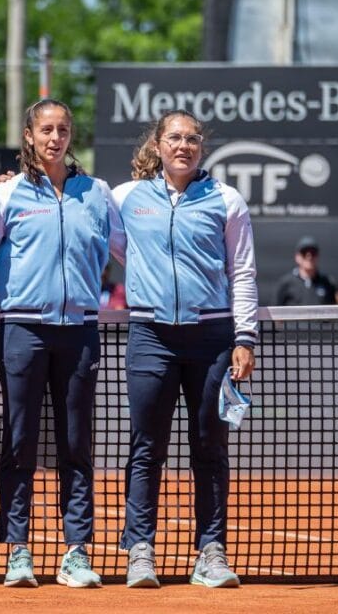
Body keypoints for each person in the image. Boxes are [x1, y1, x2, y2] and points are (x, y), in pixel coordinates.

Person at [111, 109, 257, 589]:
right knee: (145, 447)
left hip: (212, 340)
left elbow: (242, 272)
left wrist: (243, 337)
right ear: (157, 145)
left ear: (202, 147)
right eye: (174, 137)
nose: (184, 146)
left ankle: (211, 553)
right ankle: (139, 551)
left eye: (193, 139)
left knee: (210, 447)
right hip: (150, 336)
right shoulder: (125, 198)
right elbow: (96, 231)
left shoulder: (226, 199)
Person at [0, 99, 123, 588]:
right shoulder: (5, 195)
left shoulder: (97, 193)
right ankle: (17, 551)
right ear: (29, 135)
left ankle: (76, 552)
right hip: (22, 329)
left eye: (63, 129)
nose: (54, 137)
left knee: (76, 445)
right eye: (46, 129)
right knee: (19, 442)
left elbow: (130, 249)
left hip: (81, 331)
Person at [274, 236, 336, 306]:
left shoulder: (327, 283)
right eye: (304, 252)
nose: (309, 256)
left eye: (313, 253)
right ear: (297, 257)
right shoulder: (286, 283)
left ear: (318, 256)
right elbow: (275, 311)